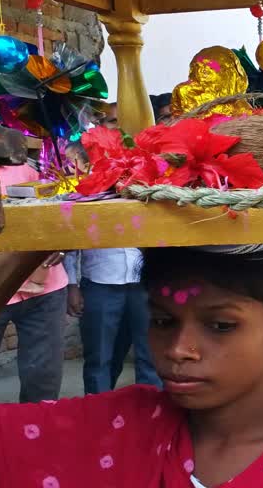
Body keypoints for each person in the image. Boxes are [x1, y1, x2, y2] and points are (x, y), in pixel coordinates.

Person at [0, 244, 263, 487]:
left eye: (221, 325)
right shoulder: (119, 423)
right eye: (162, 321)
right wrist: (28, 249)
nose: (179, 349)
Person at [0, 98, 69, 403]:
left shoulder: (24, 167)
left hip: (45, 289)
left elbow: (56, 217)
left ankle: (35, 439)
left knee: (43, 380)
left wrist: (60, 245)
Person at [63, 142, 161, 394]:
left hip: (142, 284)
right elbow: (71, 244)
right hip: (100, 285)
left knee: (150, 354)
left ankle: (148, 417)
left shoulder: (141, 189)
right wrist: (72, 285)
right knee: (100, 358)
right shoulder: (83, 197)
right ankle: (99, 419)